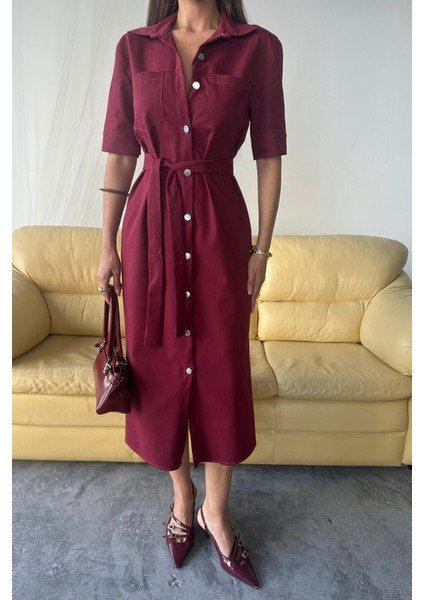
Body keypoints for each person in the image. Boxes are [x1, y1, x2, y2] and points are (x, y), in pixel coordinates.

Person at [97, 0, 286, 589]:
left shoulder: (258, 47)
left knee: (221, 372)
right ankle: (183, 499)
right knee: (156, 372)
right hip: (149, 227)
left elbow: (269, 155)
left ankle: (216, 513)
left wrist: (261, 249)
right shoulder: (134, 47)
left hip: (219, 230)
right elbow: (120, 154)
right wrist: (107, 244)